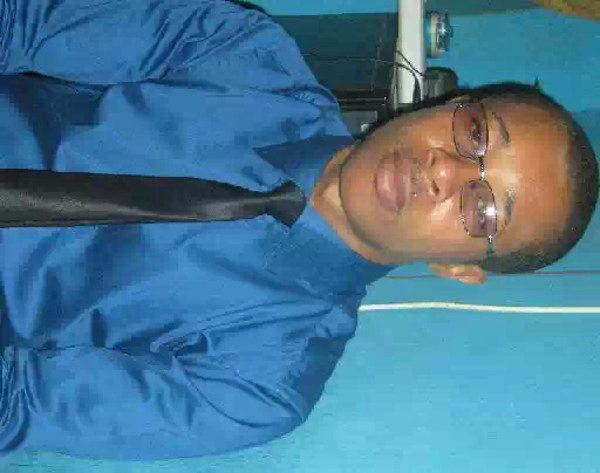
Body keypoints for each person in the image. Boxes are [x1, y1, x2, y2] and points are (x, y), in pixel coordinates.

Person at [0, 0, 596, 461]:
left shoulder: (262, 380)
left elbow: (22, 404)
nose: (444, 171)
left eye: (483, 211)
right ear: (451, 104)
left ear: (458, 268)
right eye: (476, 135)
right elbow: (21, 21)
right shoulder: (242, 53)